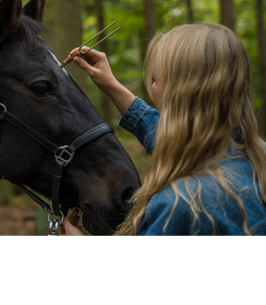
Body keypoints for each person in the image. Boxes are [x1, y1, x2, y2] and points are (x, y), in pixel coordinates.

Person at [58, 23, 266, 238]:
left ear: (179, 94)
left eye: (155, 80)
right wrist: (111, 84)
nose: (152, 87)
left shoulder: (178, 208)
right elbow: (170, 135)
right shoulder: (255, 156)